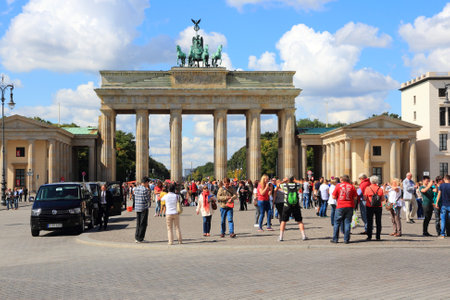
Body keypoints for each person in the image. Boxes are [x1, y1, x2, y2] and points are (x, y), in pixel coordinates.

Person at [279, 176, 307, 241]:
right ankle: (303, 235)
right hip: (295, 205)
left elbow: (278, 185)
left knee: (283, 221)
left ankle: (281, 237)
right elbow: (302, 183)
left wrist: (284, 181)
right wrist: (295, 180)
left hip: (287, 205)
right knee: (299, 221)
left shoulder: (285, 185)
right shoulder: (297, 185)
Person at [331, 175, 357, 244]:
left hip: (340, 206)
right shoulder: (352, 186)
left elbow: (333, 197)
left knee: (337, 223)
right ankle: (346, 239)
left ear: (342, 180)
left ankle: (335, 239)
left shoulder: (338, 186)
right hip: (349, 206)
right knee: (347, 222)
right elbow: (355, 198)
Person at [363, 176, 384, 241]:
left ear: (371, 181)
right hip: (378, 206)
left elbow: (365, 198)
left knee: (369, 221)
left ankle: (369, 236)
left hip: (369, 206)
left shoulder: (368, 188)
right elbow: (383, 199)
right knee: (378, 221)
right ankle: (378, 236)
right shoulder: (380, 188)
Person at [134, 177, 150, 243]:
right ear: (146, 182)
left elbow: (134, 196)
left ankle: (136, 237)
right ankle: (140, 238)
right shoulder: (145, 190)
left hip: (137, 207)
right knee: (143, 223)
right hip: (143, 208)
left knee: (138, 223)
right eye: (148, 182)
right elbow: (147, 199)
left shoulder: (136, 188)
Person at [435, 174, 450, 238]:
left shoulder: (441, 185)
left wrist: (436, 203)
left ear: (444, 179)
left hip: (444, 205)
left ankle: (443, 234)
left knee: (443, 220)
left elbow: (439, 194)